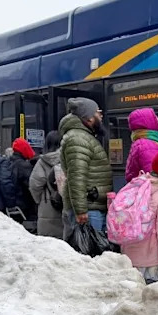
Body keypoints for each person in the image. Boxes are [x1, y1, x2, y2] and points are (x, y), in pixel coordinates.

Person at [121, 149, 158, 284]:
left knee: (132, 286)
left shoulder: (137, 182)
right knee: (152, 289)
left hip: (130, 247)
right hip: (151, 253)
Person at [59, 98, 113, 234]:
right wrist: (81, 210)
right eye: (98, 112)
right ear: (89, 118)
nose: (101, 115)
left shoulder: (83, 136)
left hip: (92, 207)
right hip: (89, 210)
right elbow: (76, 176)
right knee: (89, 246)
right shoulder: (78, 138)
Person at [29, 130, 65, 239]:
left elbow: (35, 185)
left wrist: (40, 200)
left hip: (47, 209)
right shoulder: (68, 159)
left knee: (48, 244)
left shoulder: (42, 162)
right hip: (66, 208)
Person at [125, 107, 158, 182]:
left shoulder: (148, 141)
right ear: (148, 123)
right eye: (156, 120)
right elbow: (154, 176)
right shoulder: (147, 144)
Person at [8, 137, 39, 229]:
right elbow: (32, 186)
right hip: (25, 207)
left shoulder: (7, 163)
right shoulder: (24, 166)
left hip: (13, 205)